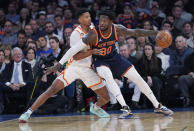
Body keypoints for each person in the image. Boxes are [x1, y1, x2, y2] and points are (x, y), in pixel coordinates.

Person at [45, 9, 173, 116]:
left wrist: (156, 32)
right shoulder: (92, 34)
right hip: (100, 60)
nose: (102, 22)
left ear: (111, 21)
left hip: (115, 58)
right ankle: (125, 107)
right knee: (108, 76)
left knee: (138, 78)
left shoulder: (117, 29)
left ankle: (158, 106)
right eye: (100, 19)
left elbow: (136, 32)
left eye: (105, 20)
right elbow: (73, 49)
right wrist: (59, 64)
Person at [19, 8, 110, 122]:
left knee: (106, 97)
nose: (89, 18)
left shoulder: (92, 29)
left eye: (89, 16)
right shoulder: (75, 35)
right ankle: (27, 113)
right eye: (86, 17)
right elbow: (76, 56)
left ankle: (95, 108)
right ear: (80, 19)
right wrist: (92, 52)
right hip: (74, 67)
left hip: (87, 69)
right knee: (52, 89)